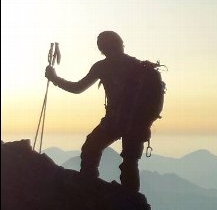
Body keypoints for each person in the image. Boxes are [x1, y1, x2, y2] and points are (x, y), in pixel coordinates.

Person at [44, 31, 153, 193]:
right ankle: (132, 204)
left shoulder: (103, 67)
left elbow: (77, 88)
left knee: (91, 149)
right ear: (121, 44)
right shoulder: (137, 66)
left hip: (114, 121)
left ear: (102, 48)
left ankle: (88, 189)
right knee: (130, 163)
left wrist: (54, 78)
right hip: (138, 123)